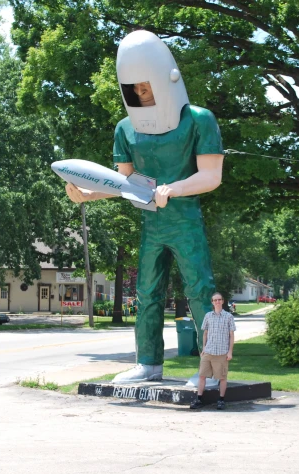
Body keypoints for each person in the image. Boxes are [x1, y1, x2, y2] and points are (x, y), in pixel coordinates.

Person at [64, 30, 224, 383]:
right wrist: (90, 195)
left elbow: (211, 176)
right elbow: (126, 184)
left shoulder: (198, 120)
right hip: (152, 224)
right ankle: (148, 363)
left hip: (185, 222)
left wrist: (175, 188)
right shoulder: (126, 129)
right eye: (133, 89)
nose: (140, 93)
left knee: (199, 290)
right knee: (147, 293)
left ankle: (211, 369)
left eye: (145, 86)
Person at [190, 292, 236, 410]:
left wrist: (230, 352)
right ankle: (199, 399)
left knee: (222, 377)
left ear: (223, 301)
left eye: (219, 300)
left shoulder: (228, 317)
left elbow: (231, 335)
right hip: (208, 352)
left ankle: (221, 400)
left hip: (222, 352)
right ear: (212, 302)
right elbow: (205, 333)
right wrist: (204, 348)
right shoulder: (208, 316)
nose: (217, 302)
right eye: (215, 300)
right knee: (202, 376)